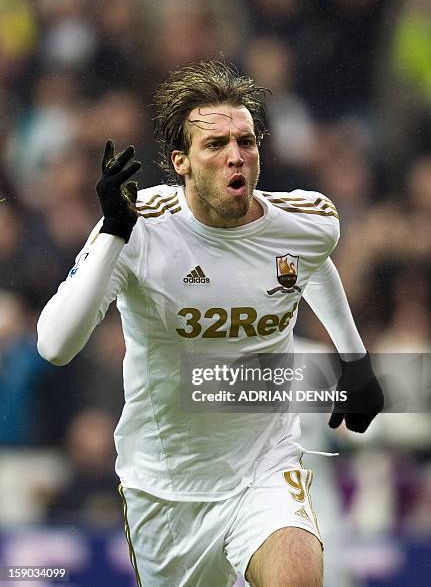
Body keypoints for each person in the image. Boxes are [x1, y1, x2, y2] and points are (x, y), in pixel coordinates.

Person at [37, 61, 384, 587]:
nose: (235, 155)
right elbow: (55, 345)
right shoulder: (139, 227)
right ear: (181, 162)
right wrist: (111, 233)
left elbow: (308, 263)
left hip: (265, 467)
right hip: (165, 488)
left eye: (246, 140)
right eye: (215, 144)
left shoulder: (308, 221)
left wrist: (354, 359)